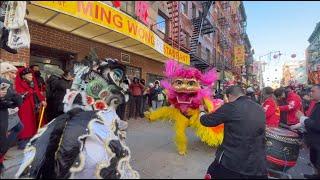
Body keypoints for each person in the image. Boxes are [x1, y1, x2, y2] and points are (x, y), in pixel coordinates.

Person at [200, 85, 267, 179]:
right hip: (258, 167)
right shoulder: (259, 108)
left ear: (230, 96)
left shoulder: (231, 106)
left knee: (211, 173)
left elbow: (207, 121)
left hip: (232, 164)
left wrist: (202, 112)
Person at [290, 84, 320, 179]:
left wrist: (302, 118)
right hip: (314, 141)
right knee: (314, 160)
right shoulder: (316, 104)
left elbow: (316, 125)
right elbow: (311, 120)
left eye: (313, 91)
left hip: (318, 141)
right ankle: (316, 175)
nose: (310, 93)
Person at [15, 67, 46, 150]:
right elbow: (20, 95)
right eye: (28, 74)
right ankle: (23, 143)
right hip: (24, 107)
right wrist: (29, 92)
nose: (31, 76)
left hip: (33, 105)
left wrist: (42, 100)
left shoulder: (32, 83)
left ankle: (30, 140)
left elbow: (37, 92)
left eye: (31, 74)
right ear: (23, 76)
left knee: (32, 123)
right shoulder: (19, 83)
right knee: (26, 124)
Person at [0, 64, 23, 175]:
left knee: (19, 127)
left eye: (15, 73)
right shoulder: (4, 82)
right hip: (5, 116)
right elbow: (17, 100)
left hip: (9, 114)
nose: (14, 76)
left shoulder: (8, 83)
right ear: (4, 72)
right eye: (12, 73)